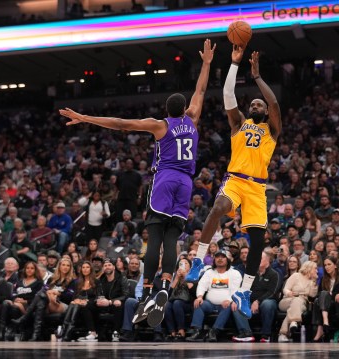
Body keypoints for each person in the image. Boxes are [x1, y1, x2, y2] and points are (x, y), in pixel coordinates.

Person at [59, 39, 216, 327]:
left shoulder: (161, 125)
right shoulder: (193, 119)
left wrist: (85, 118)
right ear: (184, 109)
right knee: (172, 238)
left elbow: (121, 123)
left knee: (154, 235)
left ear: (167, 111)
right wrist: (206, 63)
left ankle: (145, 292)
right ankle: (166, 287)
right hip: (185, 183)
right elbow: (201, 90)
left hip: (166, 179)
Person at [189, 46, 281, 319]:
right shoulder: (238, 124)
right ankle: (197, 260)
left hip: (257, 188)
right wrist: (233, 64)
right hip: (236, 180)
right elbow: (228, 96)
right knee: (218, 207)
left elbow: (275, 104)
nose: (255, 105)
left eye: (258, 105)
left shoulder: (271, 130)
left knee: (256, 241)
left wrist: (257, 77)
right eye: (252, 103)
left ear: (264, 112)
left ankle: (244, 291)